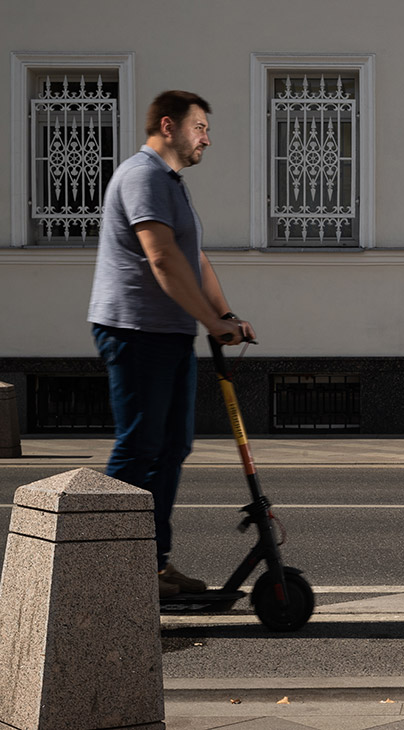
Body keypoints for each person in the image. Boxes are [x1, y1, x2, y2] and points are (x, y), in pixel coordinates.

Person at [88, 90, 255, 598]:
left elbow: (194, 260)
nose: (207, 136)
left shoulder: (172, 185)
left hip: (168, 334)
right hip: (135, 331)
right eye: (199, 126)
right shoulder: (143, 177)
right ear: (169, 126)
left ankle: (151, 564)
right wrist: (209, 320)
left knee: (171, 448)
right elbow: (161, 259)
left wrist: (222, 316)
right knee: (140, 448)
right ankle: (106, 565)